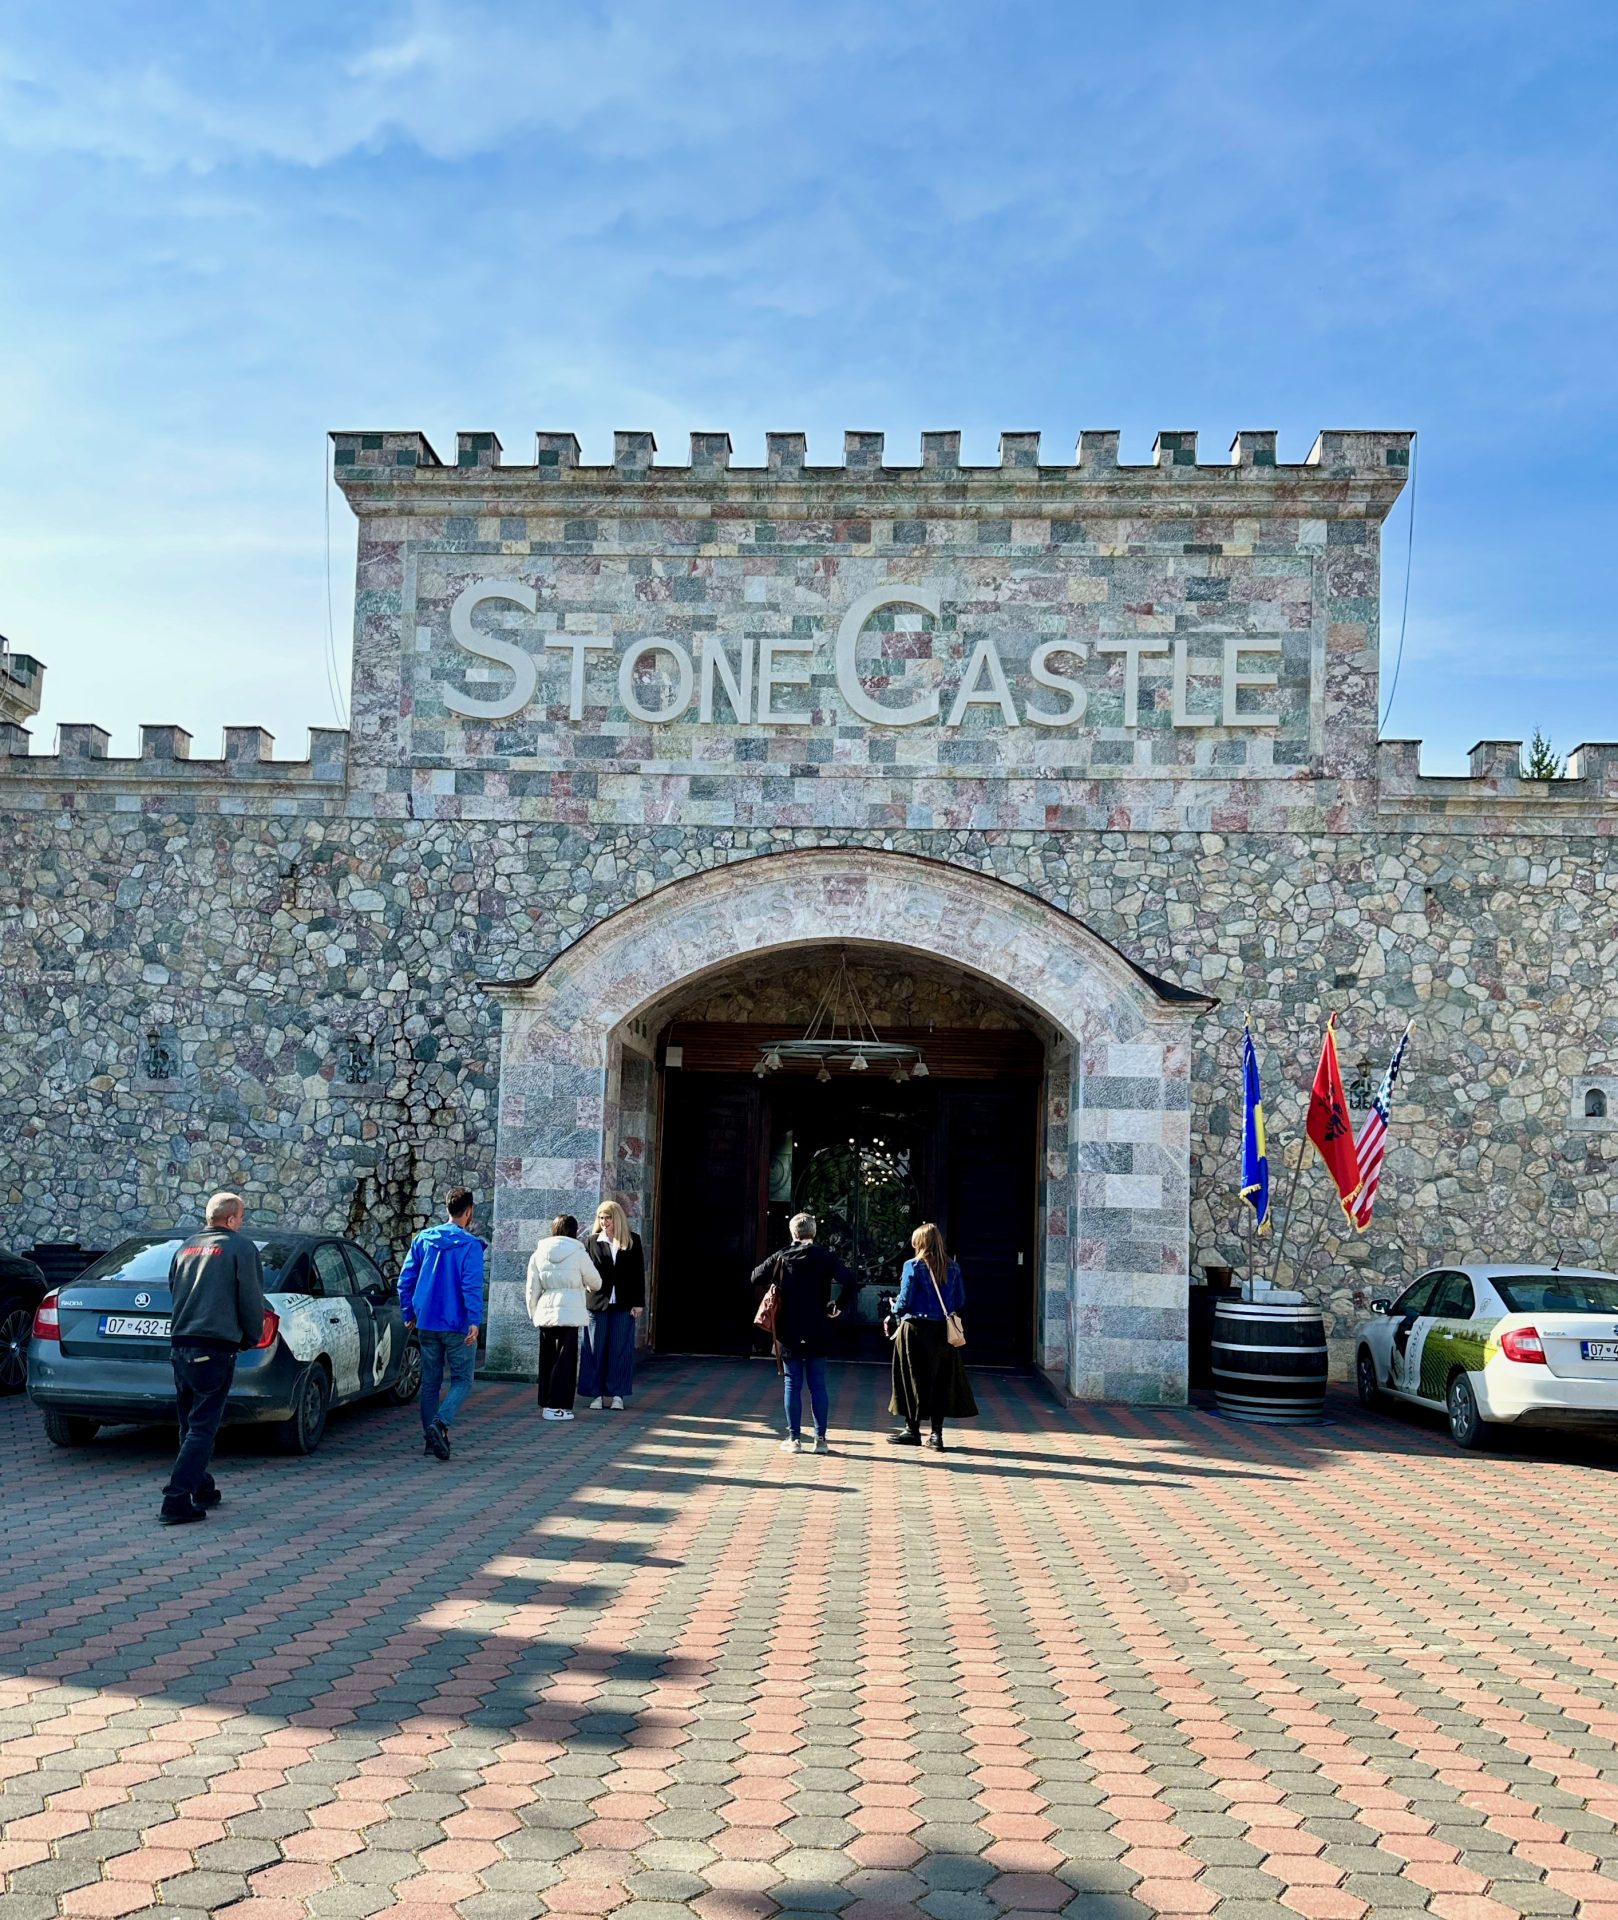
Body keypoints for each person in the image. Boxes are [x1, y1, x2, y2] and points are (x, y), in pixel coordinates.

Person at [160, 1190, 266, 1525]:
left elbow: (174, 1289)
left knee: (190, 1423)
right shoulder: (240, 1247)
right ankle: (176, 1499)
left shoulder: (185, 1247)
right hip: (215, 1346)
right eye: (242, 1217)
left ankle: (201, 1488)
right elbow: (250, 1298)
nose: (242, 1222)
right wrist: (250, 1336)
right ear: (231, 1219)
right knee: (203, 1427)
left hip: (181, 1344)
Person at [752, 1211, 856, 1455]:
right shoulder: (825, 1257)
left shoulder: (782, 1256)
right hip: (818, 1325)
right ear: (814, 1233)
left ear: (793, 1233)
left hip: (789, 1327)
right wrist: (837, 1307)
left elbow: (755, 1277)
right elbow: (850, 1282)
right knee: (818, 1384)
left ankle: (794, 1439)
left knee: (792, 1383)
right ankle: (820, 1440)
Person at [399, 1187, 484, 1460]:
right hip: (457, 1323)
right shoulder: (470, 1245)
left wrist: (407, 1313)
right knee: (462, 1380)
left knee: (430, 1383)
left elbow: (406, 1280)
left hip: (426, 1322)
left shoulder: (423, 1239)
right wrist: (474, 1320)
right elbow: (471, 1285)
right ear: (468, 1212)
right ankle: (441, 1423)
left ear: (447, 1208)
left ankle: (429, 1440)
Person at [887, 1221, 977, 1451]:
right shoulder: (953, 1267)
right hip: (942, 1331)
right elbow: (960, 1301)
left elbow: (905, 1300)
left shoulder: (913, 1266)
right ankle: (936, 1434)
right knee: (940, 1380)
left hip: (915, 1329)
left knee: (911, 1379)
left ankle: (912, 1429)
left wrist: (894, 1309)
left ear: (920, 1243)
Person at [525, 1214, 595, 1420]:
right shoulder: (579, 1252)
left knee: (547, 1358)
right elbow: (596, 1281)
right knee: (566, 1360)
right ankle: (559, 1406)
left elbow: (532, 1288)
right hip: (570, 1312)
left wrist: (533, 1312)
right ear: (575, 1231)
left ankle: (545, 1402)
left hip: (546, 1311)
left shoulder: (539, 1253)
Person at [580, 1199, 644, 1410]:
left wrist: (638, 1303)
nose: (604, 1221)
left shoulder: (632, 1241)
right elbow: (583, 1270)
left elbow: (637, 1275)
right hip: (598, 1303)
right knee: (595, 1349)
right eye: (601, 1217)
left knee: (620, 1350)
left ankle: (618, 1394)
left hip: (624, 1304)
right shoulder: (591, 1242)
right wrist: (585, 1284)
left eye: (608, 1217)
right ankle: (596, 1394)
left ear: (617, 1219)